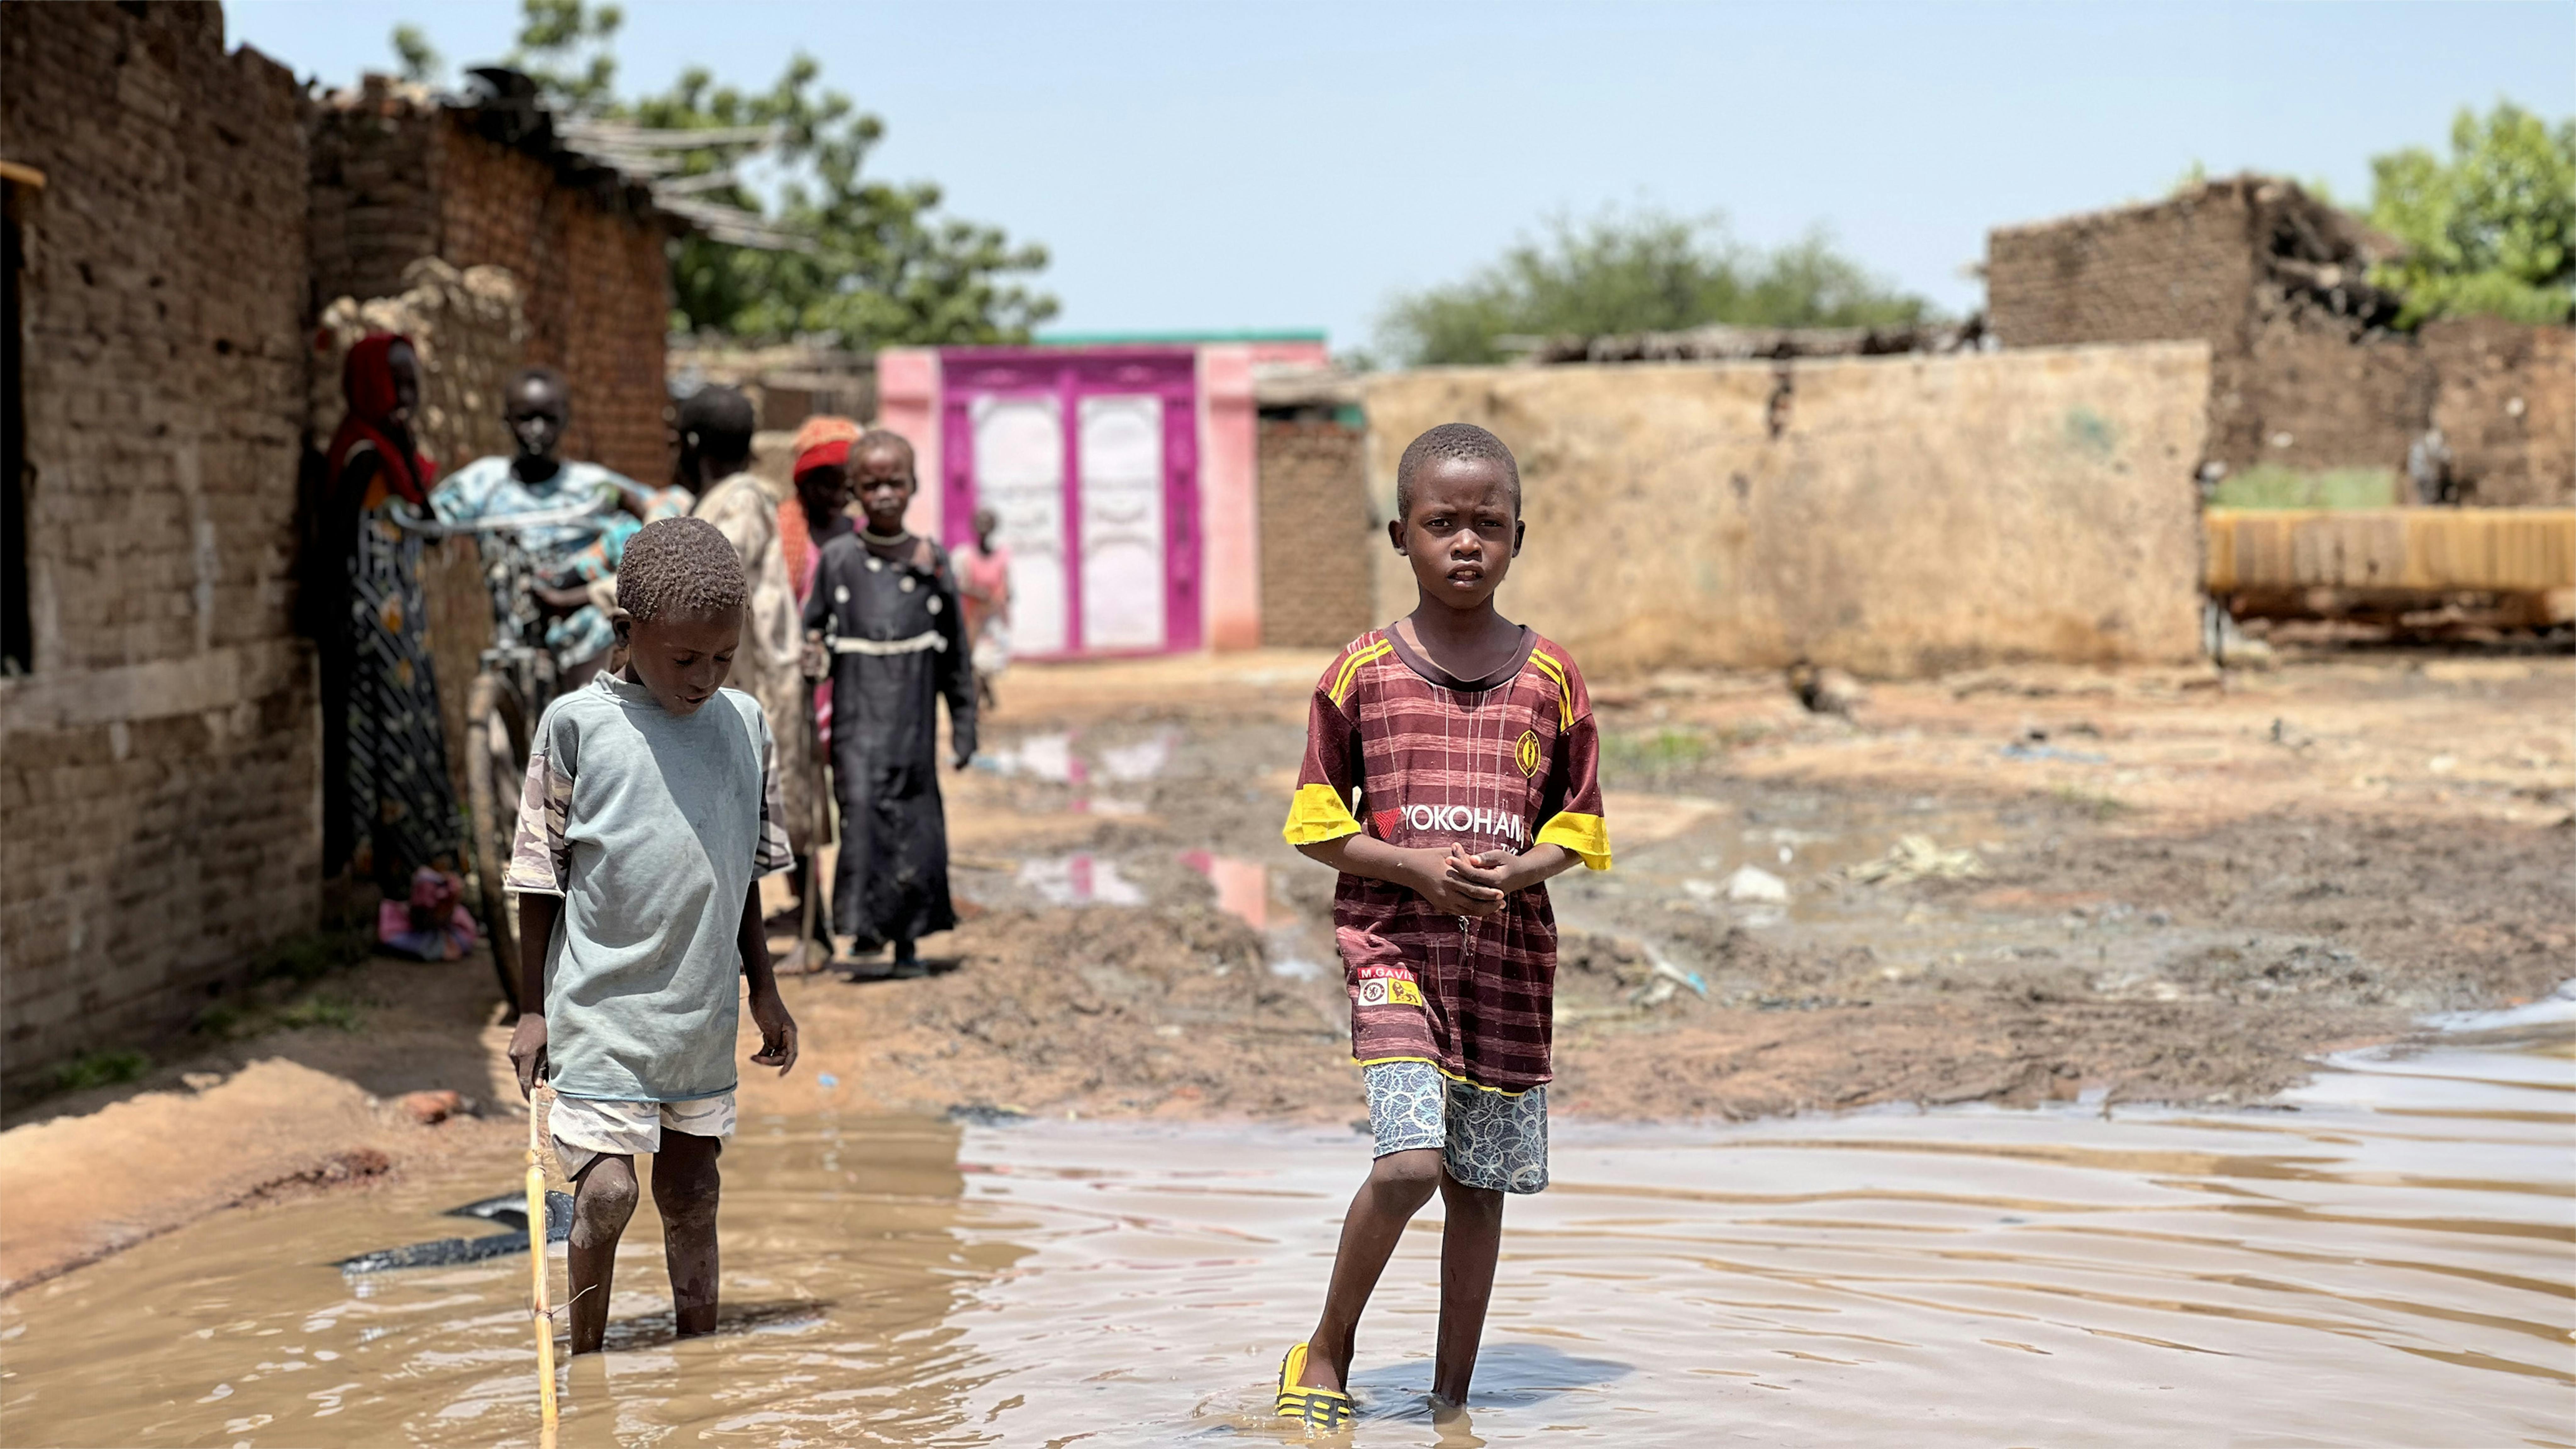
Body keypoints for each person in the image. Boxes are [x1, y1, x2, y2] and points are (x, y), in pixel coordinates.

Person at [1273, 423, 1612, 1429]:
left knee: (1478, 1186)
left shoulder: (1551, 677)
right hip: (1394, 951)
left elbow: (1580, 826)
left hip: (1506, 961)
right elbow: (1316, 824)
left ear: (1520, 538)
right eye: (1440, 524)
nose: (1465, 543)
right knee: (1413, 1163)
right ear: (1398, 535)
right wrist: (1416, 870)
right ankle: (1325, 1353)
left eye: (1488, 525)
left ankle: (1449, 1404)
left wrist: (1520, 872)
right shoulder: (1361, 673)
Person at [502, 515, 800, 1357]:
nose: (705, 679)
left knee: (693, 1189)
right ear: (627, 634)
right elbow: (537, 873)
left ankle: (695, 1359)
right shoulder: (576, 727)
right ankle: (586, 1358)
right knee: (604, 1196)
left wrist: (765, 990)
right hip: (601, 1005)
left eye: (723, 660)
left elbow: (740, 868)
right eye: (684, 660)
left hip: (698, 1012)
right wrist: (533, 1010)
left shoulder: (744, 725)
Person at [800, 430, 976, 976]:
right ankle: (865, 929)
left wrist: (965, 725)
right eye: (871, 484)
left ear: (914, 486)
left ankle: (907, 944)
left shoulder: (932, 562)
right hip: (856, 721)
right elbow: (811, 630)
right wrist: (812, 657)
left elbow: (957, 655)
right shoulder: (837, 561)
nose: (883, 494)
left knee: (913, 821)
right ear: (854, 489)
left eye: (894, 483)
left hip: (912, 719)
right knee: (863, 818)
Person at [309, 333, 470, 923]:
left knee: (414, 745)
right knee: (387, 750)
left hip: (406, 632)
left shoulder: (392, 452)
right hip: (375, 633)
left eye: (412, 383)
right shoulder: (362, 456)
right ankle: (399, 887)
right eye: (393, 383)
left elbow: (422, 521)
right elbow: (347, 558)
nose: (406, 396)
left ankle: (425, 880)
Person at [680, 387, 830, 969]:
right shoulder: (725, 497)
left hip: (761, 676)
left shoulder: (738, 501)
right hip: (746, 675)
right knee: (755, 808)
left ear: (692, 443)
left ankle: (814, 931)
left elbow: (712, 572)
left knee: (779, 802)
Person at [432, 366, 690, 686]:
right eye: (525, 418)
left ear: (565, 421)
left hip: (582, 638)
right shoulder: (483, 482)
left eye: (549, 419)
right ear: (506, 421)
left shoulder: (589, 486)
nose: (537, 430)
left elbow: (671, 505)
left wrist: (630, 505)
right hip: (512, 630)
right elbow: (432, 521)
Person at [951, 506, 1012, 712]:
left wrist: (1000, 601)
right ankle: (981, 702)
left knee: (984, 663)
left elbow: (1008, 589)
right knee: (974, 662)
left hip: (993, 619)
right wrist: (977, 593)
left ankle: (974, 707)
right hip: (972, 618)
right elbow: (957, 584)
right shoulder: (965, 556)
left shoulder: (1002, 556)